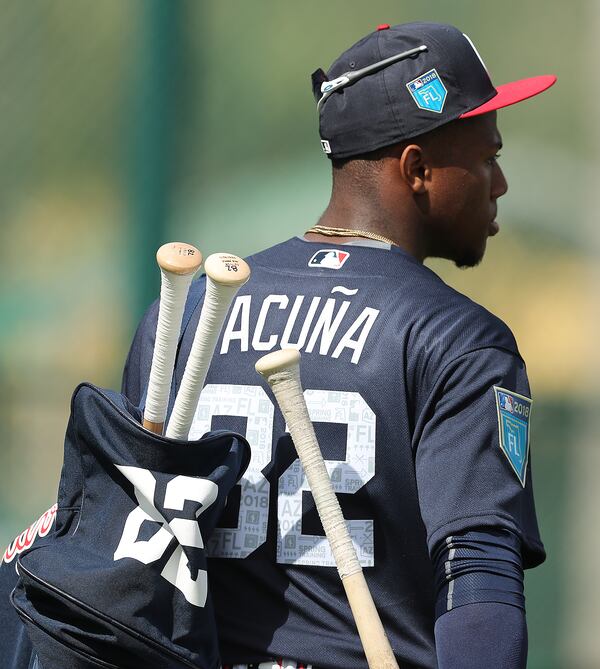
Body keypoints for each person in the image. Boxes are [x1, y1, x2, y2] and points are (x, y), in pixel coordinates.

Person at [123, 20, 556, 669]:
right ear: (417, 169)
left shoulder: (186, 313)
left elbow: (117, 542)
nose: (499, 184)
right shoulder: (460, 339)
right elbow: (479, 580)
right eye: (487, 156)